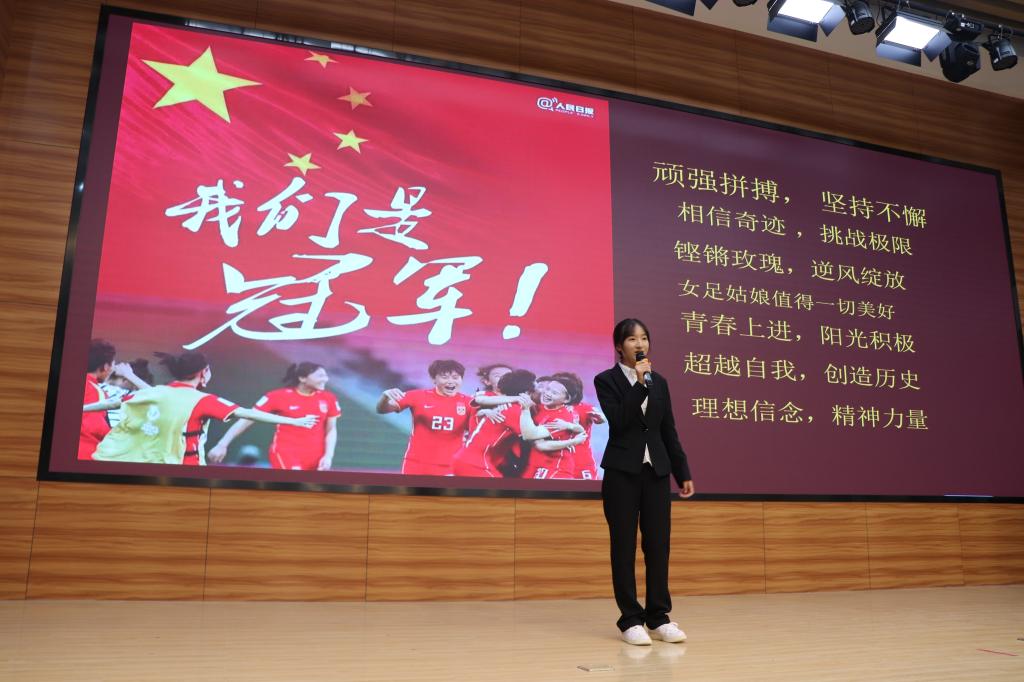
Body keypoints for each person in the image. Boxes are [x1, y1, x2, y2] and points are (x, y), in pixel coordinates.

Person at [594, 318, 695, 646]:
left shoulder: (660, 382)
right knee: (624, 546)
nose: (640, 344)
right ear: (619, 346)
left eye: (644, 338)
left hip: (656, 473)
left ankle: (658, 616)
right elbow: (619, 421)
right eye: (632, 339)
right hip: (622, 473)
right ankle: (630, 619)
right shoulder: (606, 380)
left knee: (658, 545)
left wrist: (682, 471)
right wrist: (638, 384)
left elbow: (668, 429)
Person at [87, 351, 317, 466]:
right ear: (203, 372)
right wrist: (293, 421)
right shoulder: (203, 400)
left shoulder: (160, 392)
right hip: (187, 470)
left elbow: (121, 401)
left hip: (144, 464)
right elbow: (246, 413)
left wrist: (85, 408)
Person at [208, 362, 341, 470]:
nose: (326, 379)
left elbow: (331, 429)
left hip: (317, 457)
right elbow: (247, 419)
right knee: (294, 488)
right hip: (286, 453)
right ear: (302, 378)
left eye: (326, 375)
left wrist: (328, 456)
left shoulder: (329, 398)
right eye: (320, 376)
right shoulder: (277, 396)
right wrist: (222, 444)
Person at [376, 359, 472, 476]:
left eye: (455, 377)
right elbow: (382, 409)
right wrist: (385, 397)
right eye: (445, 377)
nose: (451, 381)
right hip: (416, 463)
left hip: (451, 466)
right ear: (433, 379)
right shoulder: (417, 396)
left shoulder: (469, 403)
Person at [521, 373, 589, 479]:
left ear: (566, 400)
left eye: (554, 393)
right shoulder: (542, 407)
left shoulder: (562, 418)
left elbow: (530, 435)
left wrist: (525, 410)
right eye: (548, 389)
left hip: (555, 468)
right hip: (535, 464)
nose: (547, 393)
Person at [79, 339, 117, 460]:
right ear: (105, 366)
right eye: (112, 365)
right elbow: (94, 426)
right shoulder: (95, 390)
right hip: (85, 453)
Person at [100, 359, 155, 428]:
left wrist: (127, 374)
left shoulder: (125, 394)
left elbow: (157, 396)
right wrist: (128, 374)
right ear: (125, 380)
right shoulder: (116, 391)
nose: (134, 387)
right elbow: (157, 395)